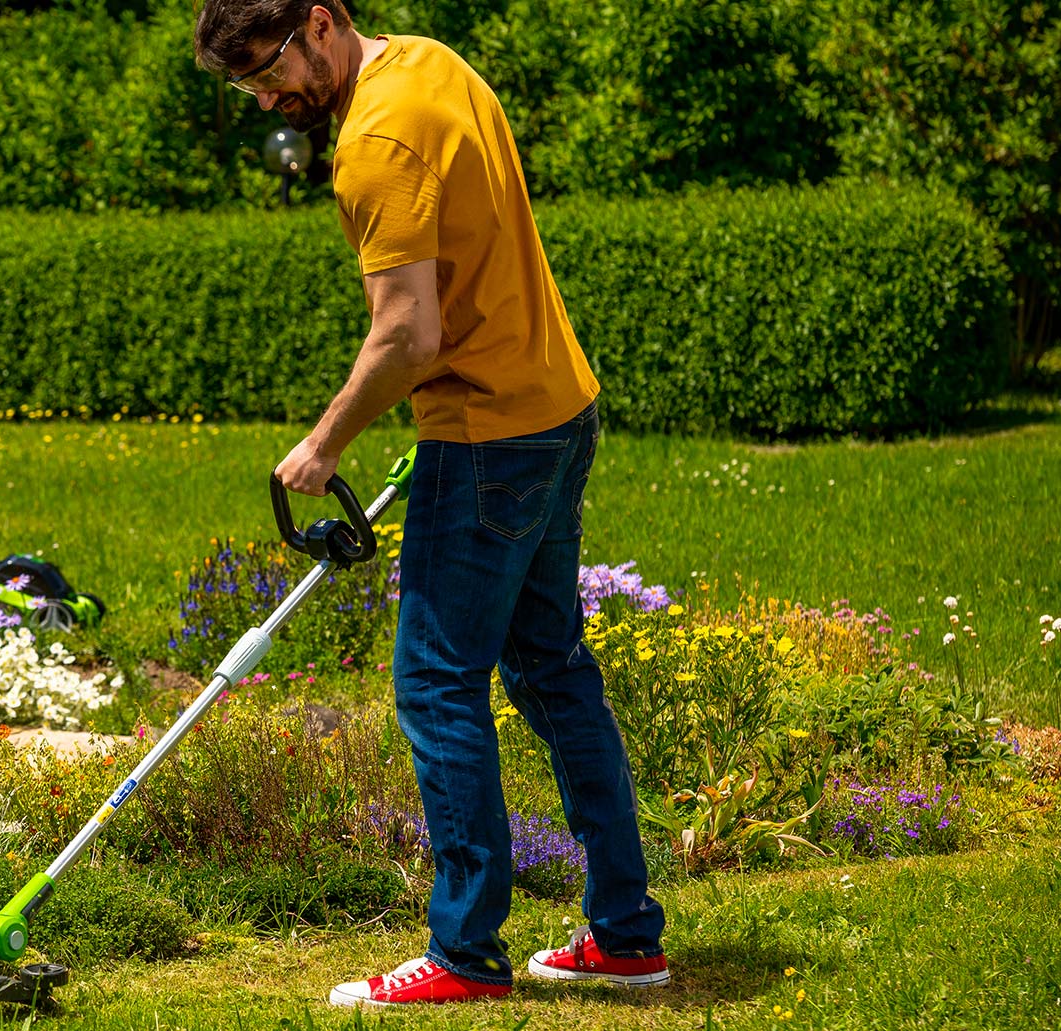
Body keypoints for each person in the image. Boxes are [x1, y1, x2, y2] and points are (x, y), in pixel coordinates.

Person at [192, 0, 669, 1007]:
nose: (269, 97)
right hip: (555, 405)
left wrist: (323, 444)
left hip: (486, 432)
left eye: (270, 70)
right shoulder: (425, 61)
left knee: (435, 684)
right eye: (247, 88)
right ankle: (624, 934)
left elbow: (408, 334)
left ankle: (462, 953)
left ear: (319, 20)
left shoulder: (371, 142)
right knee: (550, 667)